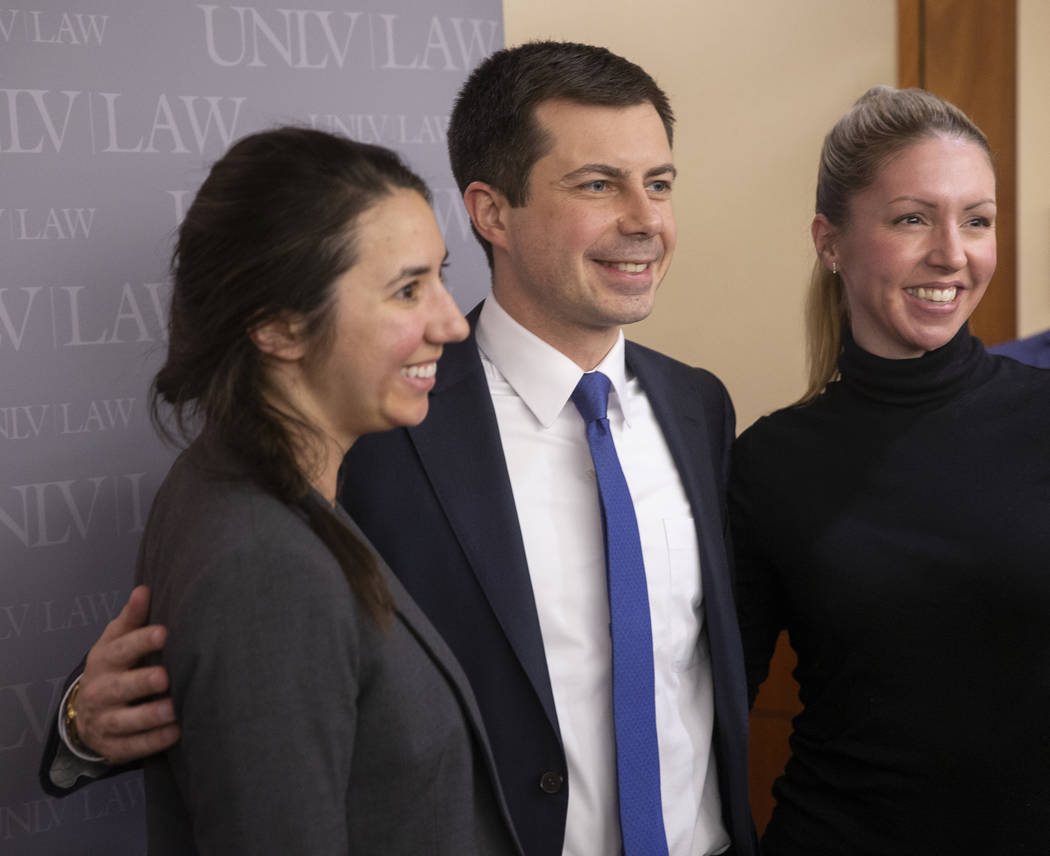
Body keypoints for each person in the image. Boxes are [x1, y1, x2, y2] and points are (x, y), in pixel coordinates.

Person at [42, 42, 758, 856]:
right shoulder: (375, 421)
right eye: (598, 184)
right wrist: (81, 723)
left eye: (659, 184)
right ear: (492, 212)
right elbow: (248, 629)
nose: (645, 220)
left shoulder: (697, 406)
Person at [53, 125, 521, 855]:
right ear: (277, 324)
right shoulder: (263, 563)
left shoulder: (234, 476)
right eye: (406, 290)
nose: (452, 322)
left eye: (440, 276)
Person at [729, 86, 1050, 855]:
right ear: (830, 241)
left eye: (978, 220)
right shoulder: (768, 463)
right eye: (913, 218)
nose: (953, 252)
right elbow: (702, 714)